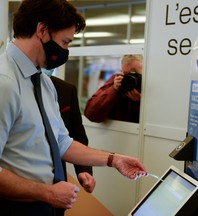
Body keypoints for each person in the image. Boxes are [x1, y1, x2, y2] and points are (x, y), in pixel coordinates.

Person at [0, 1, 146, 216]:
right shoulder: (5, 83)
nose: (66, 50)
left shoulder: (44, 83)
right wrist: (48, 193)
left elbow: (61, 141)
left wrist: (113, 160)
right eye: (65, 41)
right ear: (42, 30)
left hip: (45, 206)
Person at [43, 70, 95, 194]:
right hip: (18, 187)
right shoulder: (9, 84)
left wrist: (83, 170)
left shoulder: (66, 89)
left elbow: (76, 135)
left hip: (58, 183)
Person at [84, 54, 143, 123]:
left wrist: (140, 102)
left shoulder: (151, 85)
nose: (130, 79)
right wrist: (113, 89)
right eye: (126, 74)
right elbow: (91, 114)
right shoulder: (118, 81)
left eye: (134, 74)